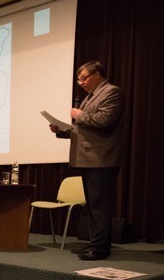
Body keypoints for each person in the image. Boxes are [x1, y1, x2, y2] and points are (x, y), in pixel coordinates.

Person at [48, 61, 125, 261]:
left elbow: (104, 120)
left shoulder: (112, 92)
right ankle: (95, 244)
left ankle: (99, 249)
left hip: (100, 159)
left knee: (99, 205)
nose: (81, 83)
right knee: (91, 206)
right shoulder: (90, 97)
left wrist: (80, 115)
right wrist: (62, 130)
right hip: (87, 159)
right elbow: (82, 131)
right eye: (79, 79)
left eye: (84, 78)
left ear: (97, 74)